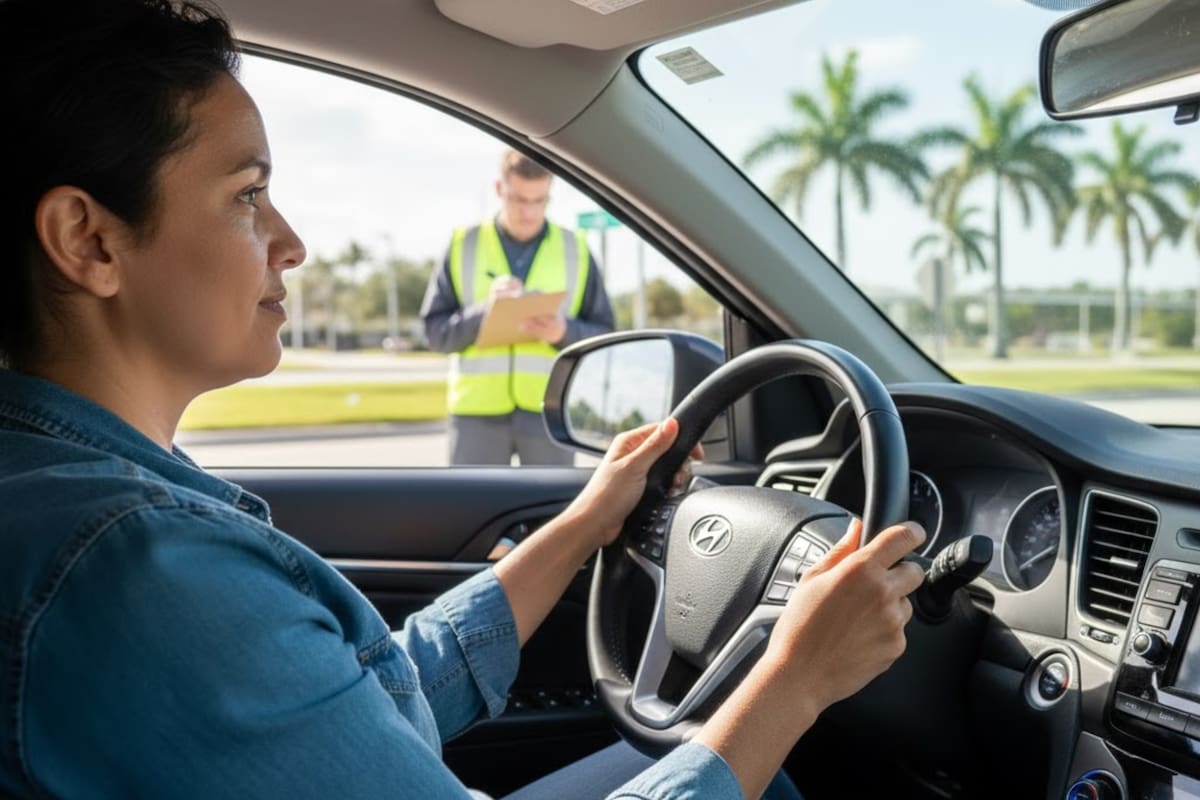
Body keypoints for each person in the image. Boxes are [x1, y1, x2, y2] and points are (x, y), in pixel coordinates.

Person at [0, 1, 928, 798]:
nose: (292, 244)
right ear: (89, 241)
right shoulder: (138, 571)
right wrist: (796, 680)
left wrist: (582, 526)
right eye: (248, 196)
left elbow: (371, 698)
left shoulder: (86, 500)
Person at [420, 150, 615, 466]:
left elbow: (605, 334)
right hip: (475, 414)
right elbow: (434, 334)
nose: (529, 212)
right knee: (472, 500)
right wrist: (485, 312)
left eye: (539, 201)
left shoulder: (576, 249)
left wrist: (563, 332)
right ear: (500, 189)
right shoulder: (462, 244)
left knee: (552, 501)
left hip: (549, 411)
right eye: (519, 200)